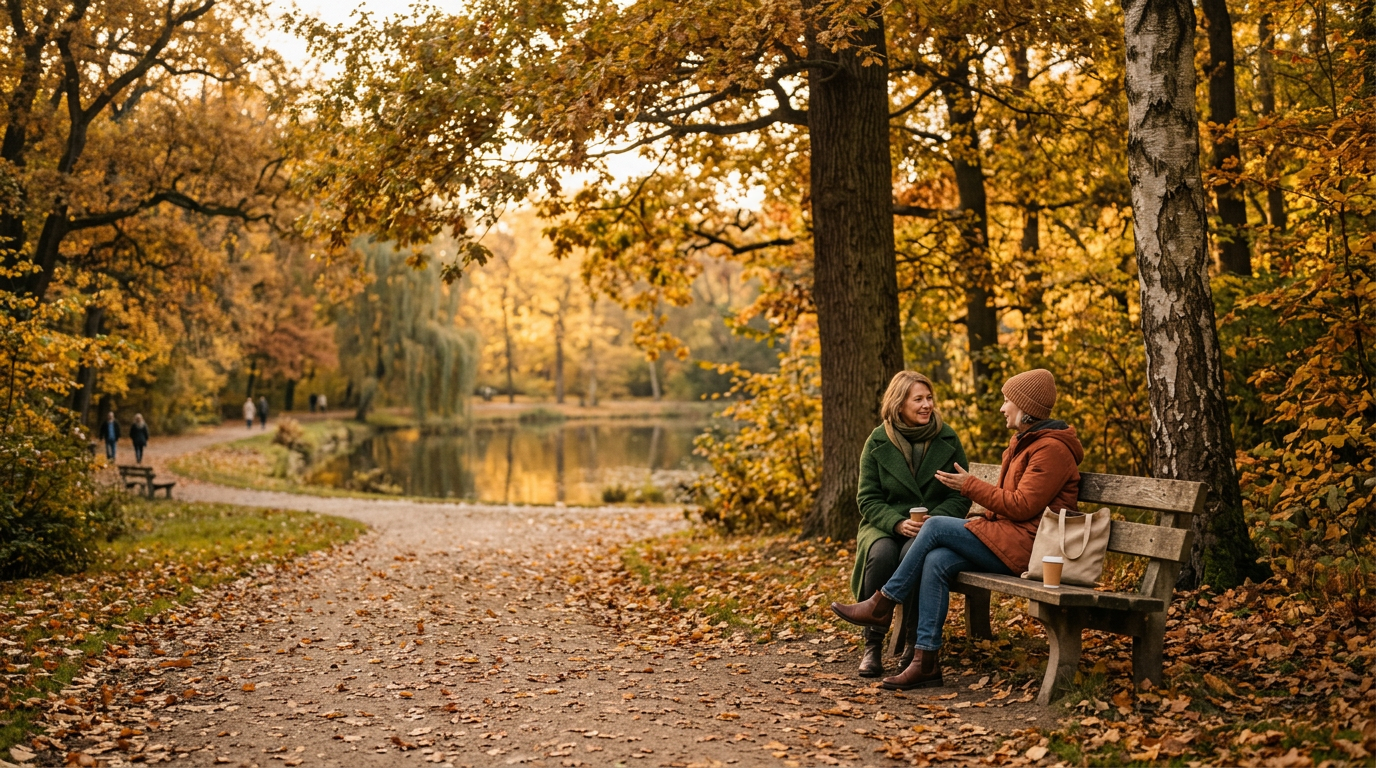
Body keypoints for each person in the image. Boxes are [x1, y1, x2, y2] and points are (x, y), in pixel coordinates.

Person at [831, 369, 1084, 690]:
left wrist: (970, 486)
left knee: (935, 526)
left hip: (1030, 551)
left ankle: (882, 604)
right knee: (936, 560)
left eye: (1008, 401)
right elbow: (1011, 503)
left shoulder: (1051, 450)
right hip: (1010, 538)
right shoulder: (1025, 443)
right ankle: (926, 662)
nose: (1003, 408)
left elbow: (1022, 506)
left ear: (1025, 408)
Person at [849, 371, 971, 678]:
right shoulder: (878, 440)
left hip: (932, 525)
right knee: (882, 554)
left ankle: (913, 646)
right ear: (899, 402)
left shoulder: (948, 438)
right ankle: (872, 646)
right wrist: (897, 523)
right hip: (885, 524)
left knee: (914, 555)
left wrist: (935, 520)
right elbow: (868, 498)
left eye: (929, 398)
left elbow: (961, 496)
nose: (927, 405)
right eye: (918, 399)